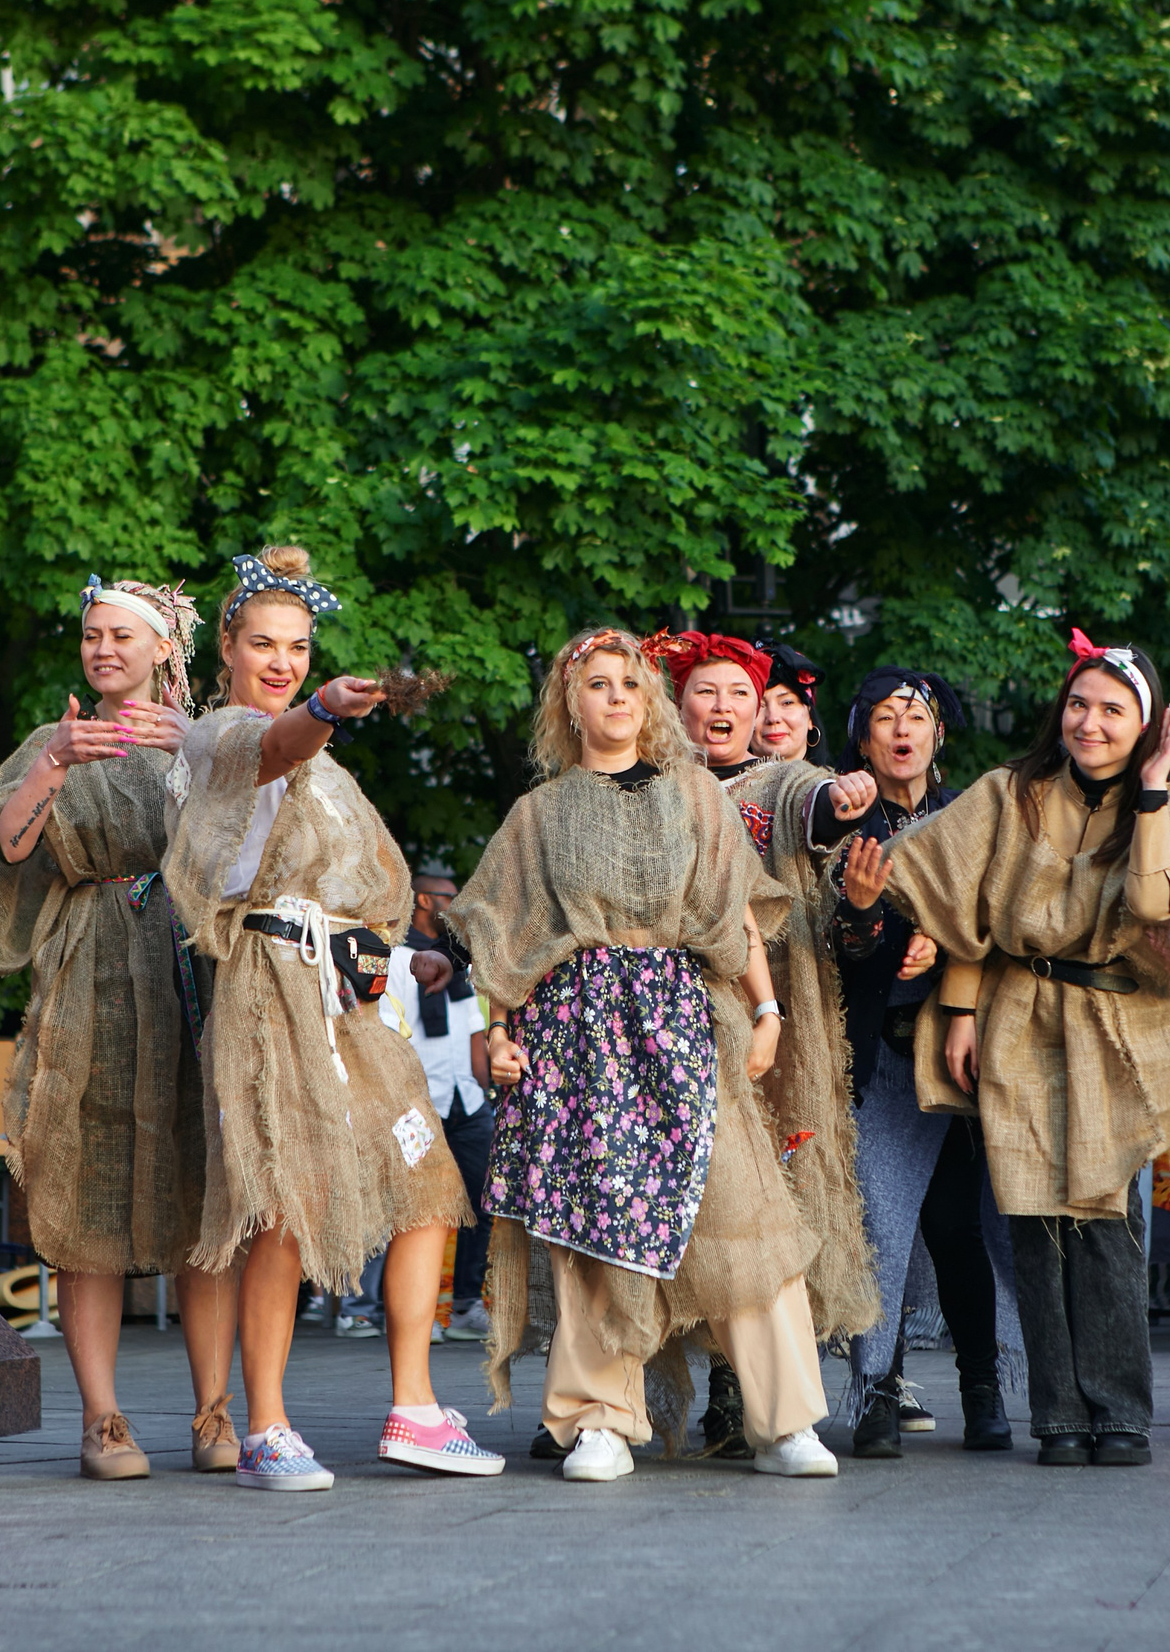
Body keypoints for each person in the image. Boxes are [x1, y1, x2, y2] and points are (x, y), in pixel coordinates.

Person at [451, 627, 840, 1481]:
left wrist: (767, 1010)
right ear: (570, 701)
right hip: (575, 1029)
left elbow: (736, 914)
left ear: (650, 697)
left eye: (631, 681)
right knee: (594, 1227)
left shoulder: (695, 794)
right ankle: (599, 1417)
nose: (617, 695)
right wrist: (499, 1033)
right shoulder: (538, 813)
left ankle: (785, 1421)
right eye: (598, 683)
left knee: (741, 1212)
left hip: (683, 1022)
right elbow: (502, 934)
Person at [161, 548, 498, 1488]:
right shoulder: (219, 736)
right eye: (263, 643)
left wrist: (406, 955)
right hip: (268, 990)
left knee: (428, 1177)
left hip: (353, 999)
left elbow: (360, 890)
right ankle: (264, 1423)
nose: (281, 660)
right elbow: (274, 752)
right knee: (282, 1201)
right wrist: (320, 712)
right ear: (226, 646)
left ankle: (416, 1407)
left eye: (298, 648)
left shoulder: (338, 776)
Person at [867, 629, 1170, 1467]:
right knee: (1031, 1213)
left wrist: (1150, 794)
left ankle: (1121, 1410)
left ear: (1145, 724)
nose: (1089, 722)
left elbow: (1155, 909)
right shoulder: (1011, 793)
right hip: (1022, 1011)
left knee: (1104, 1214)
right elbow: (949, 889)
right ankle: (1058, 1412)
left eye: (1112, 709)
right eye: (1079, 704)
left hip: (1119, 1024)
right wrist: (957, 1008)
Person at [0, 575, 232, 1481]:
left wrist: (199, 748)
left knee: (204, 1190)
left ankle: (215, 1409)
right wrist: (54, 765)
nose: (104, 649)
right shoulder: (53, 741)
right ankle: (103, 1419)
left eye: (122, 635)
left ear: (161, 649)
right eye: (92, 635)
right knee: (85, 1191)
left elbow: (258, 832)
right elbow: (7, 850)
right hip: (91, 966)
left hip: (192, 961)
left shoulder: (204, 735)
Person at [650, 628, 880, 1451]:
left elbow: (810, 808)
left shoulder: (783, 778)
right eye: (706, 692)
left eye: (740, 695)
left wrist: (840, 799)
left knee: (764, 1200)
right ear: (676, 703)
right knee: (657, 1195)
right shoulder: (646, 783)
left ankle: (745, 1391)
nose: (722, 708)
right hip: (658, 1017)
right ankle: (615, 1397)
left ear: (761, 713)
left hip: (768, 1019)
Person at [826, 667, 1023, 1457]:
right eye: (883, 717)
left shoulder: (970, 815)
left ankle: (983, 1386)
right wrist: (870, 922)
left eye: (916, 716)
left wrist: (948, 945)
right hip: (878, 1051)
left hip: (959, 1047)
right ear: (862, 735)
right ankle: (876, 1386)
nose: (901, 729)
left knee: (957, 1226)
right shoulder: (838, 815)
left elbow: (1003, 918)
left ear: (939, 735)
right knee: (878, 1222)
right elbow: (832, 948)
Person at [381, 868, 493, 1344]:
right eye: (448, 897)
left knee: (484, 1196)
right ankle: (401, 1312)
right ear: (424, 901)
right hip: (418, 1099)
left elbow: (474, 1035)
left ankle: (467, 1302)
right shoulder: (395, 957)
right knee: (415, 1207)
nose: (455, 904)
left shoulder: (458, 962)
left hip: (466, 1098)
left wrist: (490, 1093)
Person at [751, 641, 825, 763]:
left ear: (810, 718)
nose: (773, 718)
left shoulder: (836, 781)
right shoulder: (714, 782)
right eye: (760, 705)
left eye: (787, 703)